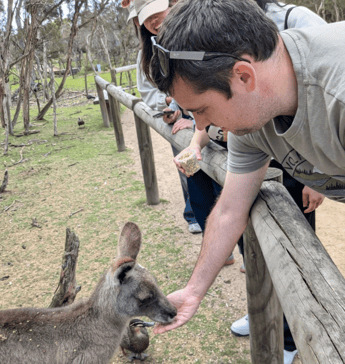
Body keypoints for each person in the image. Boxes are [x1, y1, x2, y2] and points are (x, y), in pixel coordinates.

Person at [150, 0, 345, 352]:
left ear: (243, 76)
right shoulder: (253, 116)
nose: (202, 126)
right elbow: (230, 210)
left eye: (202, 110)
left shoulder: (337, 93)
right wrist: (194, 290)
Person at [125, 0, 203, 234]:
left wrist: (193, 116)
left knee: (224, 175)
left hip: (208, 120)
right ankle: (196, 214)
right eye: (146, 17)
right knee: (192, 171)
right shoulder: (148, 52)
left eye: (159, 12)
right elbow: (152, 92)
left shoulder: (195, 34)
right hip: (182, 122)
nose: (154, 21)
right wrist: (170, 106)